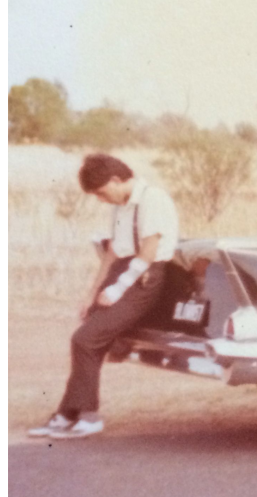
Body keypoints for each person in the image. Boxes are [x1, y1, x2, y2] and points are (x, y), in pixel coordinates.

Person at [28, 154, 179, 439]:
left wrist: (118, 289)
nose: (100, 199)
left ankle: (87, 416)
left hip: (143, 277)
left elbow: (148, 252)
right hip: (122, 272)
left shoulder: (153, 200)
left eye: (100, 192)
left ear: (115, 180)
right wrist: (93, 292)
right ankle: (69, 414)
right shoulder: (120, 205)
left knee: (84, 339)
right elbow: (112, 252)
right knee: (88, 341)